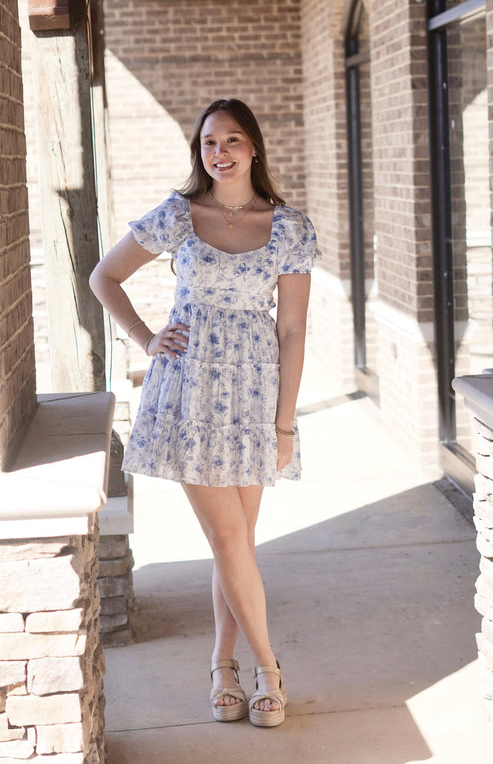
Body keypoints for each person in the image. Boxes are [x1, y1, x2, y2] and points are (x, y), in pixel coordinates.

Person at [90, 98, 321, 728]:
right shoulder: (178, 215)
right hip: (189, 393)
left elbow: (293, 331)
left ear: (254, 148)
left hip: (255, 396)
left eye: (232, 140)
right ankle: (268, 669)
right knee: (227, 538)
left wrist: (284, 423)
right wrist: (146, 339)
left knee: (236, 544)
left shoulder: (290, 227)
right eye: (209, 142)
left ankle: (222, 665)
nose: (220, 153)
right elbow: (104, 277)